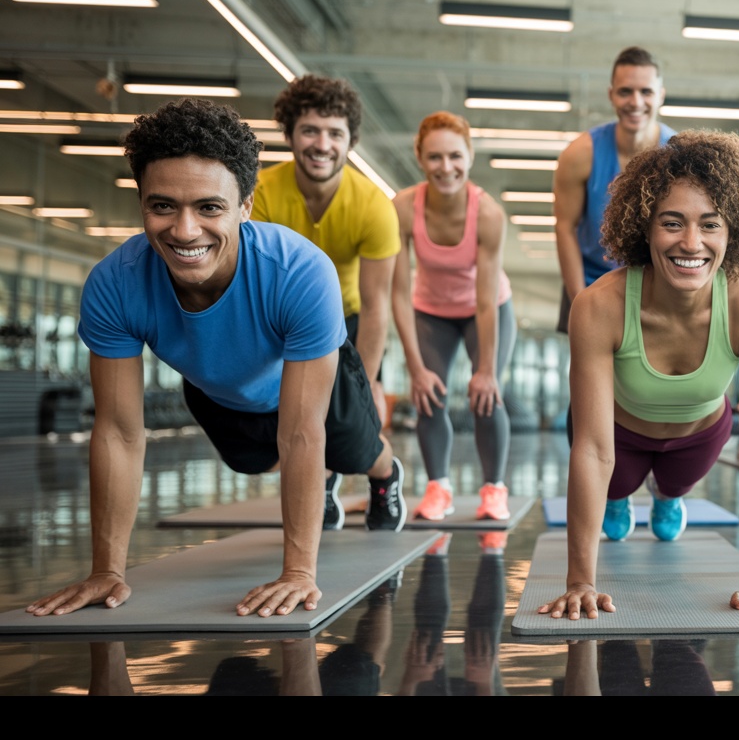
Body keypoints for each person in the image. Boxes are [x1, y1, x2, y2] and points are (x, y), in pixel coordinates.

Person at [25, 100, 403, 621]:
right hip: (218, 388)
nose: (184, 231)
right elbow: (117, 431)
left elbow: (301, 432)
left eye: (209, 208)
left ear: (246, 205)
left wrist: (298, 572)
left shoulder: (299, 273)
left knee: (356, 449)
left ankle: (386, 475)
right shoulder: (116, 285)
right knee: (253, 462)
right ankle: (323, 479)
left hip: (314, 380)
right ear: (140, 201)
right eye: (162, 207)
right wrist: (106, 570)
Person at [537, 131, 739, 620]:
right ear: (644, 228)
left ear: (732, 232)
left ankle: (666, 496)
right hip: (620, 434)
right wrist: (580, 582)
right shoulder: (599, 306)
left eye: (710, 225)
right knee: (615, 490)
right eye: (672, 223)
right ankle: (622, 500)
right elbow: (594, 450)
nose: (691, 243)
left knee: (673, 489)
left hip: (698, 436)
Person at [252, 74, 404, 528]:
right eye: (310, 130)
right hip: (283, 320)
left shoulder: (374, 206)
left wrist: (371, 381)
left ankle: (384, 474)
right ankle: (316, 485)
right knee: (298, 418)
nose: (323, 144)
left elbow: (378, 304)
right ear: (290, 134)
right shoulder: (259, 193)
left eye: (335, 133)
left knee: (352, 427)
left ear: (350, 140)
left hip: (349, 319)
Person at [391, 112, 515, 522]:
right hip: (430, 309)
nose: (447, 167)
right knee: (429, 396)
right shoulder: (404, 207)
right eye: (435, 157)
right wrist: (414, 367)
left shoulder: (489, 214)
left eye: (455, 156)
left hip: (487, 306)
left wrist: (485, 369)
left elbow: (483, 301)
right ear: (421, 158)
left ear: (470, 156)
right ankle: (438, 489)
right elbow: (397, 290)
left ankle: (494, 490)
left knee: (486, 395)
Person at [553, 46, 677, 334]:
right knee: (590, 375)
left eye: (646, 92)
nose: (635, 102)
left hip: (655, 283)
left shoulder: (678, 155)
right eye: (625, 91)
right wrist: (579, 299)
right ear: (611, 95)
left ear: (660, 95)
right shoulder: (580, 154)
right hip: (590, 279)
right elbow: (565, 227)